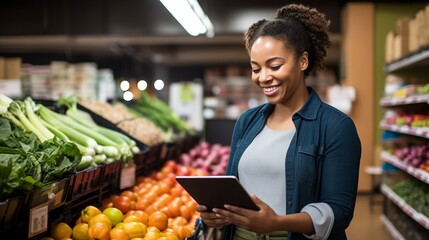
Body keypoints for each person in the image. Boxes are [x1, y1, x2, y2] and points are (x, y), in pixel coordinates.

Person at [196, 3, 361, 240]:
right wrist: (217, 214)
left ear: (302, 61)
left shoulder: (335, 127)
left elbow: (339, 211)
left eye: (274, 66)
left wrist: (276, 223)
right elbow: (231, 186)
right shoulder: (247, 122)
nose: (263, 78)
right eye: (256, 69)